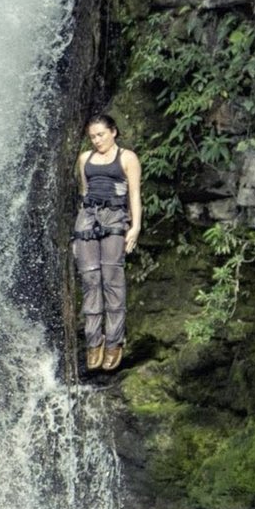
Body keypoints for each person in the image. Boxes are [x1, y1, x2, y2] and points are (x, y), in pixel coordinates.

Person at [72, 113, 141, 372]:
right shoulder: (84, 159)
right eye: (92, 136)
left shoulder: (127, 157)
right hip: (87, 218)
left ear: (113, 131)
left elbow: (134, 193)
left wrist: (135, 227)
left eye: (101, 134)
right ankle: (94, 342)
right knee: (90, 281)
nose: (97, 140)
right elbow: (84, 191)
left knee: (112, 281)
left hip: (115, 217)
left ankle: (114, 342)